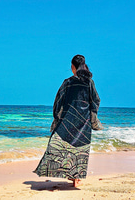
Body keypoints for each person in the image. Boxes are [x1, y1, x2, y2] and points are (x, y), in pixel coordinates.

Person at [33, 54, 103, 187]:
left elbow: (58, 100)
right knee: (80, 149)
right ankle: (76, 179)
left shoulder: (68, 82)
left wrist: (57, 117)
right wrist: (93, 116)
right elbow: (96, 100)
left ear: (74, 67)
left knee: (64, 147)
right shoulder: (89, 82)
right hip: (84, 121)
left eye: (71, 66)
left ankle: (71, 177)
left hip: (68, 120)